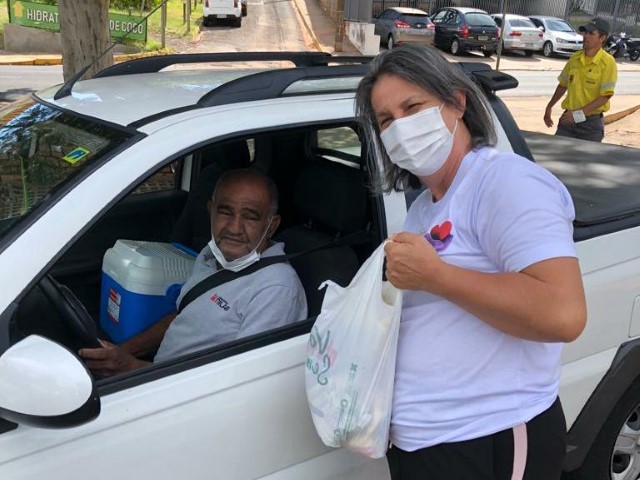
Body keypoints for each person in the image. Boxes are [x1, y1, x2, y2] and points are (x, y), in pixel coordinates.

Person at [355, 45, 587, 480]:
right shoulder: (426, 205)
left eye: (413, 107)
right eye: (386, 120)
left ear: (457, 103)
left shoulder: (505, 182)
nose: (401, 128)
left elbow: (564, 313)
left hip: (490, 440)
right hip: (429, 443)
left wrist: (436, 276)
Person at [80, 169, 307, 376]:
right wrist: (118, 354)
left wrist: (132, 368)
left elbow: (239, 380)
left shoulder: (277, 290)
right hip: (160, 374)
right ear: (211, 211)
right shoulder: (213, 255)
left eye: (250, 217)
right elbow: (181, 318)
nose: (234, 228)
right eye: (225, 212)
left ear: (272, 225)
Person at [544, 17, 617, 142]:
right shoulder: (575, 58)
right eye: (585, 32)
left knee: (585, 161)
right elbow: (563, 85)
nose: (585, 36)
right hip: (568, 121)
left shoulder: (608, 62)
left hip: (590, 125)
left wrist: (577, 115)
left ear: (602, 38)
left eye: (591, 33)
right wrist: (549, 106)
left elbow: (605, 96)